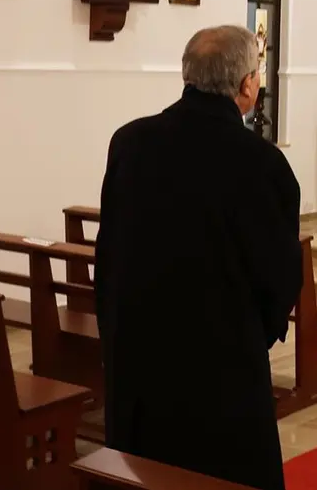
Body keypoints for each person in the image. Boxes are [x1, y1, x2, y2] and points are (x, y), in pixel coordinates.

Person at [95, 25, 303, 490]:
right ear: (247, 85)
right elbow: (281, 278)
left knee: (141, 473)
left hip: (139, 362)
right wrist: (250, 336)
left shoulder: (128, 143)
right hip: (222, 373)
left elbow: (108, 256)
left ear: (187, 75)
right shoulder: (262, 164)